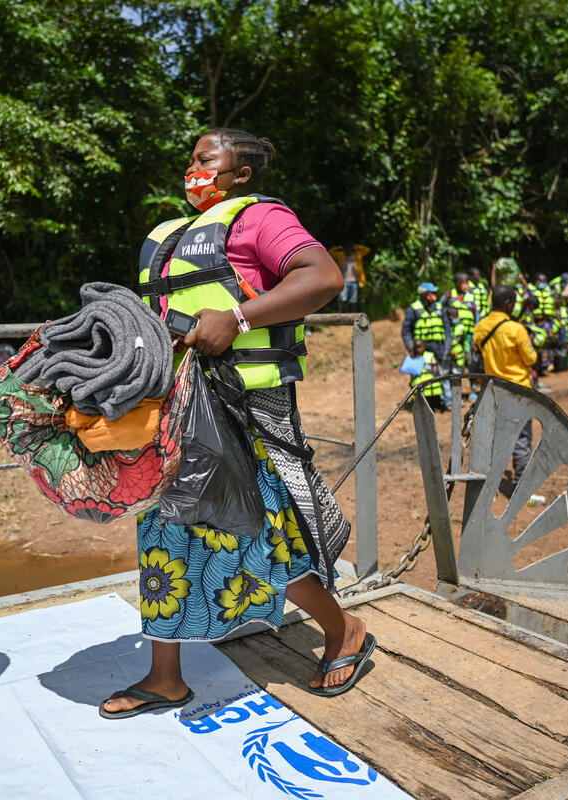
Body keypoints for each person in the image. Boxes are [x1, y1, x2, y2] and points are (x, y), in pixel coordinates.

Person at [110, 129, 372, 717]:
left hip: (246, 407)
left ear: (242, 172)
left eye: (206, 158)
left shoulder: (262, 219)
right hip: (177, 407)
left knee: (261, 530)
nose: (192, 168)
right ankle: (165, 676)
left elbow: (323, 277)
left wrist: (237, 314)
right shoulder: (167, 237)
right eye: (191, 158)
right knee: (163, 527)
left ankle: (343, 629)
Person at [474, 286, 539, 499]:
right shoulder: (515, 329)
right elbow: (531, 359)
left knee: (496, 437)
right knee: (521, 438)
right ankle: (521, 490)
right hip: (519, 390)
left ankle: (489, 489)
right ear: (509, 303)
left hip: (495, 390)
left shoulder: (481, 326)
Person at [328, 242, 369, 313]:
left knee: (353, 301)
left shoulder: (357, 255)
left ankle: (351, 318)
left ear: (352, 249)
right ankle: (340, 317)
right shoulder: (340, 255)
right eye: (346, 248)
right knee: (342, 299)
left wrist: (356, 246)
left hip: (355, 282)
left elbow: (367, 250)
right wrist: (338, 247)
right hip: (344, 281)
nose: (348, 250)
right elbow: (330, 252)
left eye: (350, 248)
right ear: (344, 249)